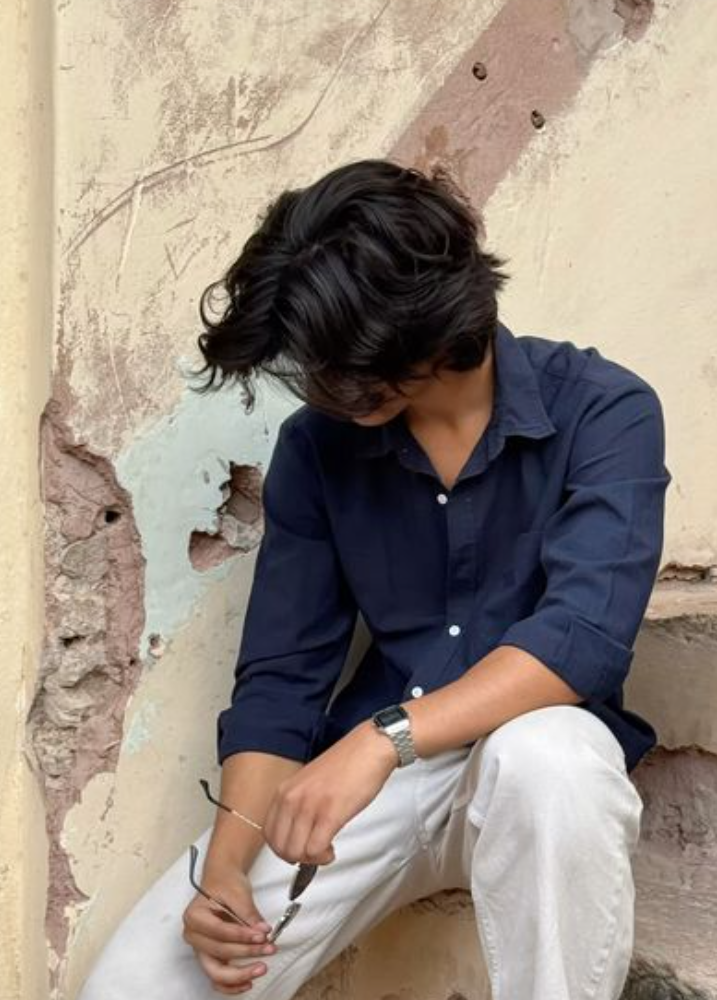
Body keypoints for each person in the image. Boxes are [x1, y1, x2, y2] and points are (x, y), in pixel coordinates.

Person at [78, 159, 670, 1000]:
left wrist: (382, 738)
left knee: (553, 759)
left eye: (339, 364)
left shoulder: (604, 410)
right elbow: (282, 674)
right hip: (373, 787)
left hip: (520, 766)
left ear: (426, 322)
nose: (321, 387)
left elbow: (581, 640)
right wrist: (227, 863)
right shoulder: (318, 446)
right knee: (135, 986)